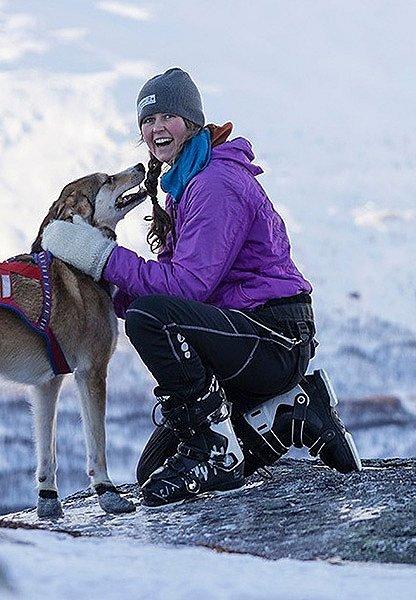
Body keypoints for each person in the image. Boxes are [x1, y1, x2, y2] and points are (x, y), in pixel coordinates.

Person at [42, 67, 360, 508]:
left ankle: (216, 445)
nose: (156, 129)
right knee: (151, 469)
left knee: (148, 319)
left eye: (167, 117)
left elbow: (185, 290)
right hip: (240, 334)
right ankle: (292, 413)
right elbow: (172, 290)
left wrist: (101, 258)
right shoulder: (183, 185)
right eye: (147, 121)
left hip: (272, 335)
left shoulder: (214, 184)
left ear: (190, 122)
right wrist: (102, 284)